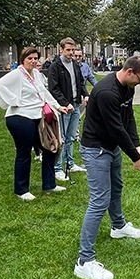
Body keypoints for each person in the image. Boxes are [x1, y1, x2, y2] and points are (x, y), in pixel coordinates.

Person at [74, 55, 140, 279]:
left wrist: (137, 147)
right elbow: (116, 129)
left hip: (112, 147)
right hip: (96, 149)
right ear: (129, 72)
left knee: (116, 187)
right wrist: (135, 158)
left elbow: (129, 120)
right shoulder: (107, 92)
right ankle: (84, 262)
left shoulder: (128, 88)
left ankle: (118, 226)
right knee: (99, 200)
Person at [0, 47, 66, 200]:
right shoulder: (17, 74)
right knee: (24, 152)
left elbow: (45, 93)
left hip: (37, 117)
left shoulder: (38, 75)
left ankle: (49, 185)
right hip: (19, 118)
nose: (33, 61)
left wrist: (58, 106)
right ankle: (21, 190)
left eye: (35, 58)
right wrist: (14, 101)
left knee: (50, 148)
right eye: (29, 58)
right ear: (23, 59)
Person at [48, 39, 89, 180]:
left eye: (73, 50)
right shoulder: (55, 67)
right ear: (61, 50)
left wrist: (86, 95)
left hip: (75, 105)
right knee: (62, 138)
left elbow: (81, 82)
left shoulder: (76, 65)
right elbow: (54, 88)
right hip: (63, 108)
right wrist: (65, 103)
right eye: (68, 50)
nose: (71, 53)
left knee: (71, 137)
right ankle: (57, 168)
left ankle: (70, 164)